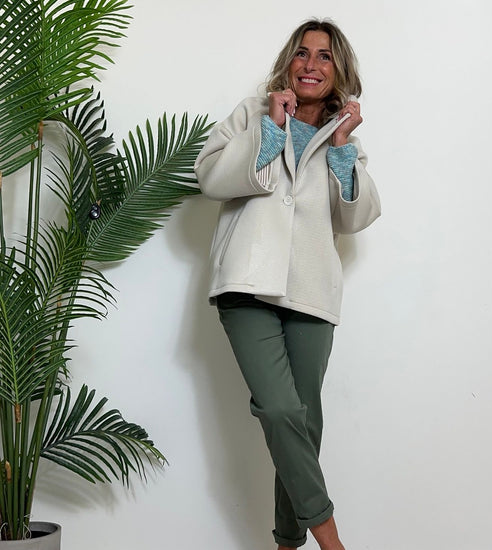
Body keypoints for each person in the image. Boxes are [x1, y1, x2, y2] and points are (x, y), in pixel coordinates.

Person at [194, 18, 381, 550]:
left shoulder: (346, 138)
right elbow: (209, 177)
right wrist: (271, 132)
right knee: (279, 410)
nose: (311, 64)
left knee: (304, 423)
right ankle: (331, 540)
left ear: (339, 70)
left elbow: (356, 217)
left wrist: (341, 146)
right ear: (289, 61)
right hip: (247, 284)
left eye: (325, 56)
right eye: (302, 53)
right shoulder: (253, 114)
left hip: (311, 290)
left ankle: (286, 543)